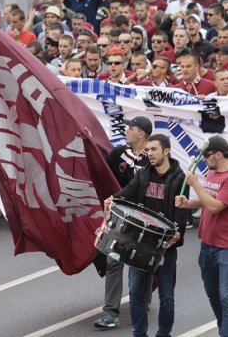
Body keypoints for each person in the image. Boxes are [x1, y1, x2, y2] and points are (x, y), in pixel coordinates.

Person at [105, 134, 190, 337]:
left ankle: (164, 334)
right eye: (148, 150)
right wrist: (113, 199)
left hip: (164, 247)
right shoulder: (143, 174)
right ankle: (139, 333)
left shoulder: (180, 179)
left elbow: (182, 213)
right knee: (135, 294)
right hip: (140, 244)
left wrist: (178, 233)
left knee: (166, 297)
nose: (149, 154)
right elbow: (128, 191)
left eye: (153, 150)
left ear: (166, 151)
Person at [93, 116, 153, 329]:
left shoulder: (153, 158)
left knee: (141, 264)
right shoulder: (119, 154)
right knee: (113, 260)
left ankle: (142, 304)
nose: (127, 130)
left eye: (132, 128)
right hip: (119, 216)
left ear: (142, 135)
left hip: (145, 220)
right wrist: (88, 143)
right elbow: (100, 170)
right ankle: (111, 313)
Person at [175, 135, 228, 337]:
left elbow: (215, 207)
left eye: (206, 156)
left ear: (219, 154)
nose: (203, 159)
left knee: (225, 296)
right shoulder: (213, 174)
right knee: (213, 294)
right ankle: (224, 327)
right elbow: (207, 199)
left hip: (225, 248)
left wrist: (195, 184)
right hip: (206, 244)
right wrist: (189, 203)